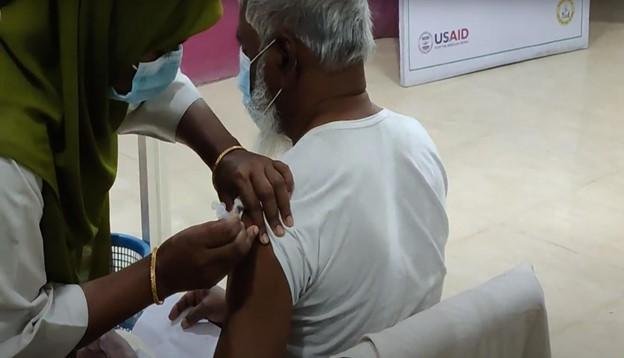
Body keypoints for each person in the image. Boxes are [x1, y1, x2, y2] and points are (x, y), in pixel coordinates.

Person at [0, 0, 294, 356]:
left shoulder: (70, 43)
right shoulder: (8, 161)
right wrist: (159, 274)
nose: (168, 64)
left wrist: (225, 152)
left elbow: (146, 88)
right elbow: (16, 335)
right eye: (164, 47)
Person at [169, 0, 450, 357]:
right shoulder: (418, 143)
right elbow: (368, 300)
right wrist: (255, 311)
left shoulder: (274, 203)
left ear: (284, 55)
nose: (247, 69)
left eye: (248, 50)